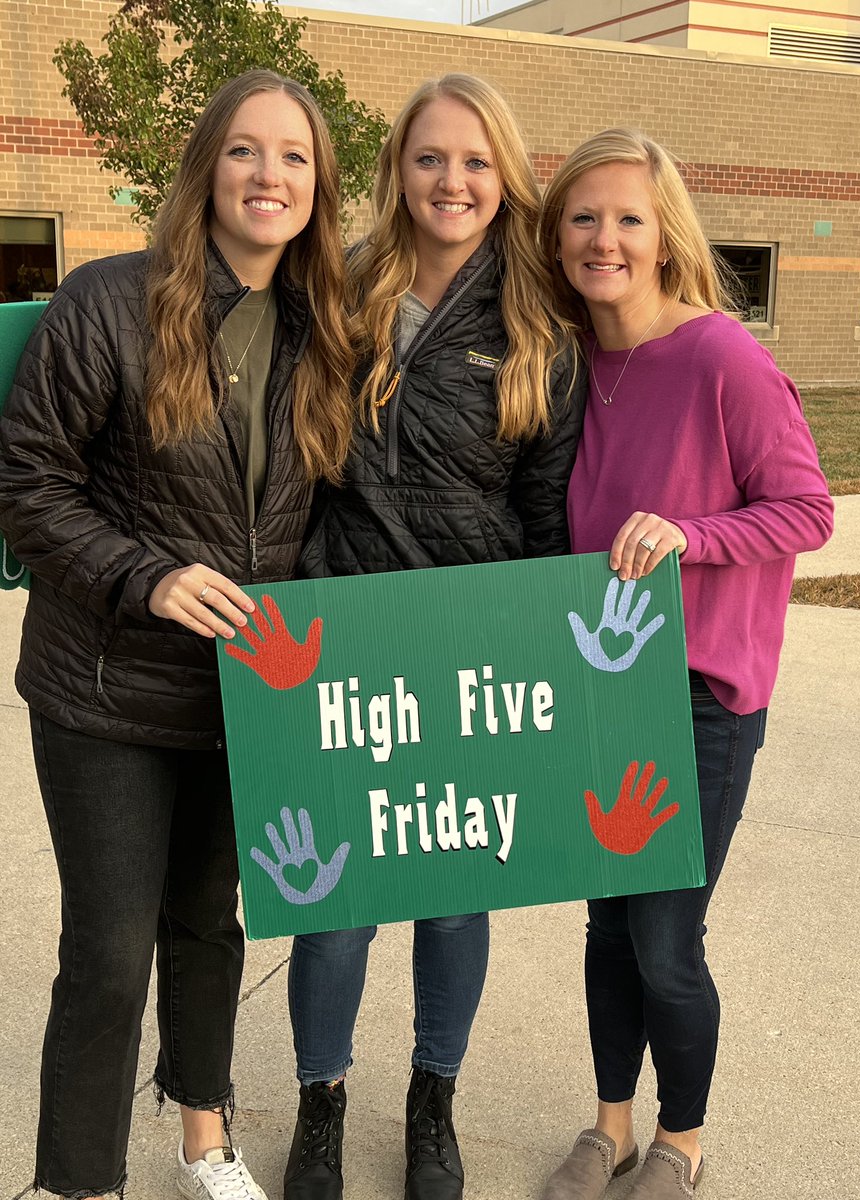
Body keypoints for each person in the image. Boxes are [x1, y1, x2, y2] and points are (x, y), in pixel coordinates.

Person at [0, 69, 352, 1200]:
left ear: (318, 185)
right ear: (208, 169)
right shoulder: (108, 302)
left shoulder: (326, 332)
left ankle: (206, 1136)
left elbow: (332, 510)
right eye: (247, 151)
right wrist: (146, 579)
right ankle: (79, 1181)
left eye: (294, 156)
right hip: (104, 687)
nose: (270, 174)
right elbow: (29, 485)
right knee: (107, 953)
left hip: (244, 695)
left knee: (209, 923)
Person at [284, 73, 584, 1200]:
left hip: (475, 643)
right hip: (345, 631)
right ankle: (322, 1102)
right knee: (337, 903)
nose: (451, 181)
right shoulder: (343, 289)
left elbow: (550, 506)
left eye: (473, 160)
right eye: (428, 158)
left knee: (457, 895)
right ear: (396, 172)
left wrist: (548, 656)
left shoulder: (539, 321)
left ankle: (433, 1101)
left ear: (503, 172)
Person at [536, 128, 833, 1200]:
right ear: (556, 235)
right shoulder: (573, 361)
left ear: (666, 237)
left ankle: (683, 1139)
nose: (604, 238)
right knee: (606, 923)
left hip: (701, 695)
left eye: (627, 218)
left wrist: (689, 534)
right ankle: (610, 1124)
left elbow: (807, 509)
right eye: (583, 217)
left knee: (666, 936)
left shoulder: (723, 357)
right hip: (602, 683)